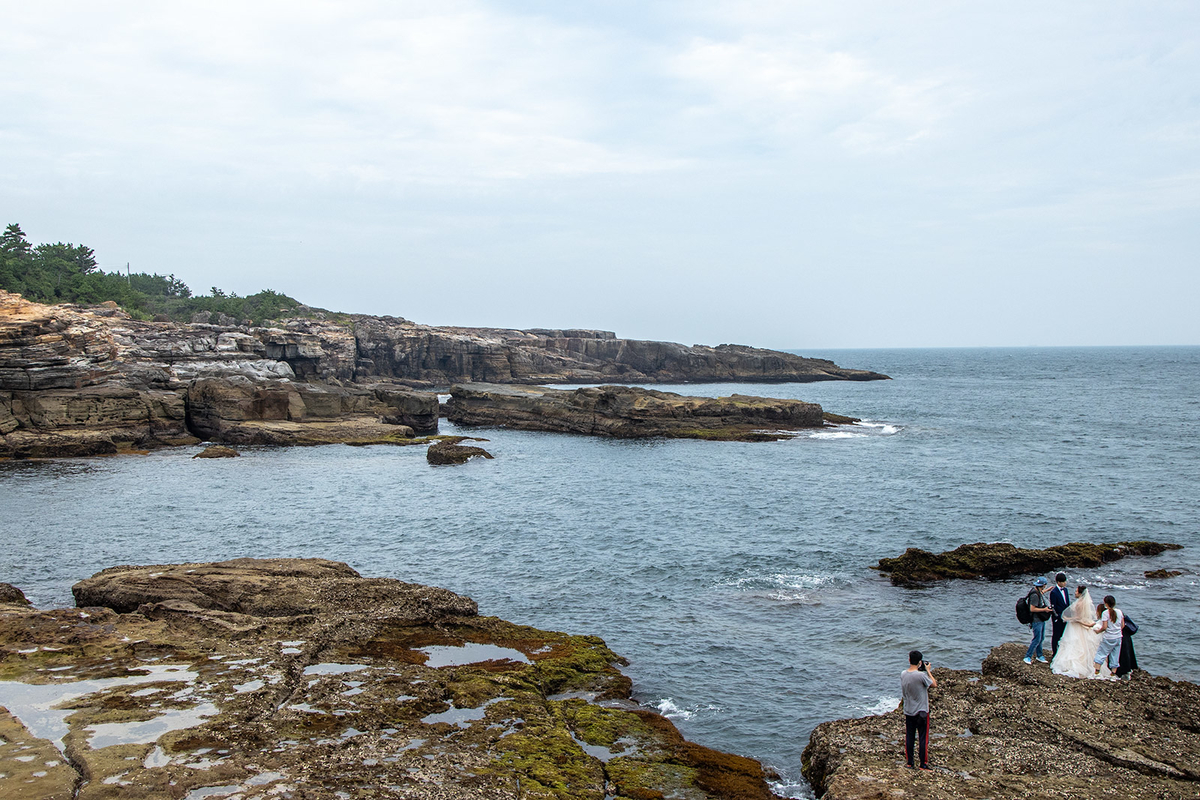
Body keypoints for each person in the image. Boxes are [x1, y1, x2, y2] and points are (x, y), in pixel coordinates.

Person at [1050, 585, 1103, 678]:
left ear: (1080, 593)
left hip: (1076, 625)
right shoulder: (1086, 603)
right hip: (1083, 624)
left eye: (1076, 591)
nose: (1074, 593)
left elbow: (1078, 617)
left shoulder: (1079, 603)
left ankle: (1074, 665)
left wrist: (1069, 618)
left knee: (1073, 643)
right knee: (1083, 643)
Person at [901, 650, 937, 770]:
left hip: (908, 710)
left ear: (909, 660)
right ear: (920, 662)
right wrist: (928, 671)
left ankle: (910, 762)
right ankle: (923, 763)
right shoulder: (921, 676)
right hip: (921, 711)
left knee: (910, 737)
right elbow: (934, 684)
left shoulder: (903, 674)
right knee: (923, 738)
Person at [1093, 595, 1124, 680]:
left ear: (1106, 604)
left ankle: (1097, 673)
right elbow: (1122, 625)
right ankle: (1113, 675)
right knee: (1115, 655)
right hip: (1118, 637)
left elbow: (1105, 627)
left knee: (1101, 654)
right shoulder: (1119, 612)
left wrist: (1098, 631)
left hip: (1108, 637)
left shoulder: (1105, 613)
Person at [1023, 577, 1053, 664]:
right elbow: (1032, 609)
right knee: (1037, 638)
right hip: (1036, 620)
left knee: (1041, 638)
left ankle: (1039, 655)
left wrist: (1047, 590)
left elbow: (1041, 594)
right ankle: (1028, 656)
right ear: (1043, 585)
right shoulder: (1035, 595)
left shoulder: (1037, 591)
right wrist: (1045, 610)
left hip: (1040, 619)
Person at [1048, 572, 1071, 655]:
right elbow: (1053, 606)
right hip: (1058, 617)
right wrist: (1057, 617)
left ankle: (1062, 651)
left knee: (1064, 634)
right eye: (1063, 582)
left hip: (1065, 616)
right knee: (1056, 635)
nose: (1065, 583)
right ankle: (1055, 652)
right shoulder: (1054, 592)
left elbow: (1067, 603)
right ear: (1058, 582)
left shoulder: (1065, 590)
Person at [1116, 612, 1138, 679]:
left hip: (1122, 637)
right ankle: (1128, 670)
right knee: (1127, 654)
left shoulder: (1115, 615)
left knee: (1122, 655)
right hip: (1126, 637)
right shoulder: (1121, 614)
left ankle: (1122, 672)